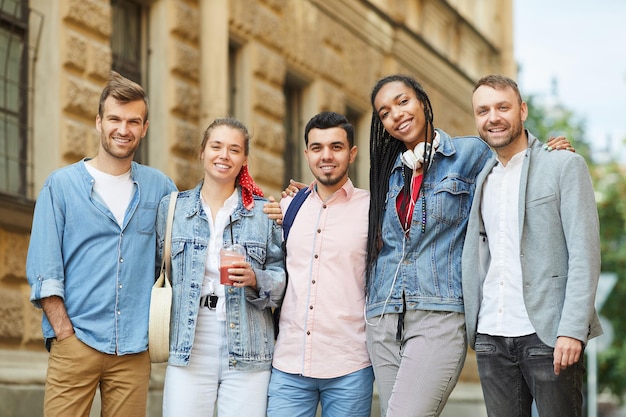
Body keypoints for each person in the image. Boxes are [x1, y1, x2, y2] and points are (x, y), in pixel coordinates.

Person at [364, 74, 573, 417]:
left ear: (422, 101)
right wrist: (304, 199)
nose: (396, 115)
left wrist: (549, 154)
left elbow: (515, 160)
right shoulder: (389, 174)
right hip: (383, 318)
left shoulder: (470, 154)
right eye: (385, 112)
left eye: (403, 102)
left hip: (439, 312)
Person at [26, 71, 177, 417]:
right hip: (75, 342)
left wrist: (265, 204)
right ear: (98, 122)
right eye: (115, 119)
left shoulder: (160, 188)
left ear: (145, 127)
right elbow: (44, 267)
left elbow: (193, 233)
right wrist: (65, 333)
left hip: (134, 350)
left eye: (133, 121)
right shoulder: (60, 187)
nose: (123, 129)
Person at [462, 74, 601, 417]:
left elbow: (584, 253)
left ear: (521, 110)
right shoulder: (482, 177)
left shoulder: (563, 164)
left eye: (502, 107)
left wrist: (572, 330)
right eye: (483, 110)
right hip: (491, 337)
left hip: (548, 334)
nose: (493, 117)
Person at [158, 117, 286, 417]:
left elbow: (283, 282)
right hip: (189, 344)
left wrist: (257, 278)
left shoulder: (263, 213)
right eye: (216, 146)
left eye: (234, 149)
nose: (223, 155)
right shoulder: (173, 209)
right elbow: (154, 271)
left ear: (244, 160)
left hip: (249, 345)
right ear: (202, 151)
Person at [266, 112, 374, 417]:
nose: (326, 156)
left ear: (352, 153)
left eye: (336, 147)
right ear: (307, 154)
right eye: (317, 148)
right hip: (289, 365)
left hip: (350, 366)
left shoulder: (371, 208)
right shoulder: (288, 207)